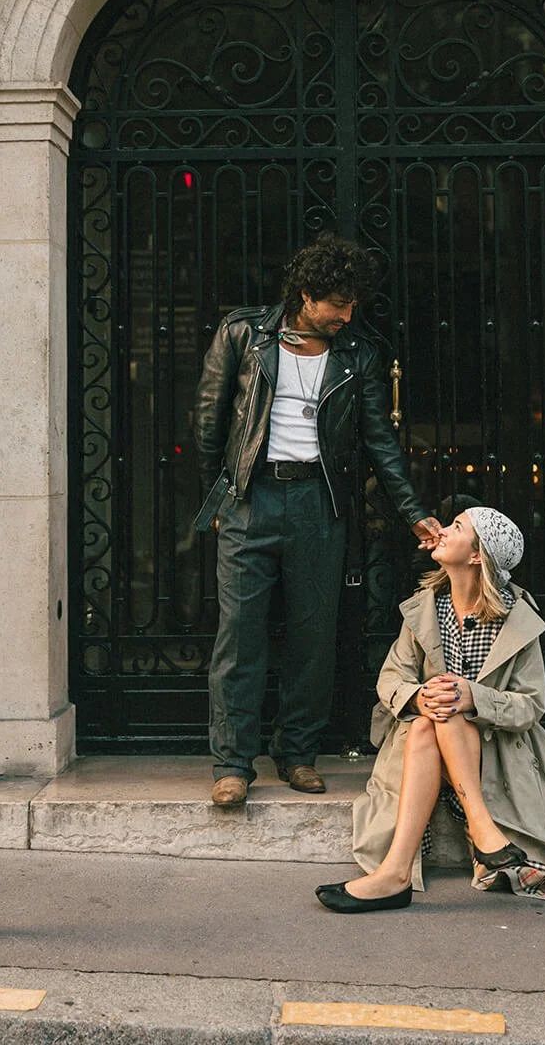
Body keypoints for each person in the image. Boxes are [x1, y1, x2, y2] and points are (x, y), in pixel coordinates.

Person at [193, 234, 441, 808]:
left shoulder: (358, 353)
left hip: (319, 505)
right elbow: (208, 420)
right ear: (306, 295)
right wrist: (218, 498)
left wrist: (413, 513)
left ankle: (297, 753)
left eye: (353, 304)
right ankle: (232, 763)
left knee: (313, 634)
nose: (346, 315)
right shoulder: (243, 335)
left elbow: (381, 441)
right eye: (337, 304)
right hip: (251, 500)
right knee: (240, 635)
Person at [315, 506, 545, 912]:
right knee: (434, 712)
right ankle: (482, 830)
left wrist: (475, 698)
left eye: (457, 526)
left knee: (447, 706)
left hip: (494, 751)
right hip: (425, 746)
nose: (442, 530)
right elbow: (390, 680)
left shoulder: (516, 620)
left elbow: (531, 706)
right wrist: (418, 697)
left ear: (476, 555)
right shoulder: (426, 607)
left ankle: (393, 876)